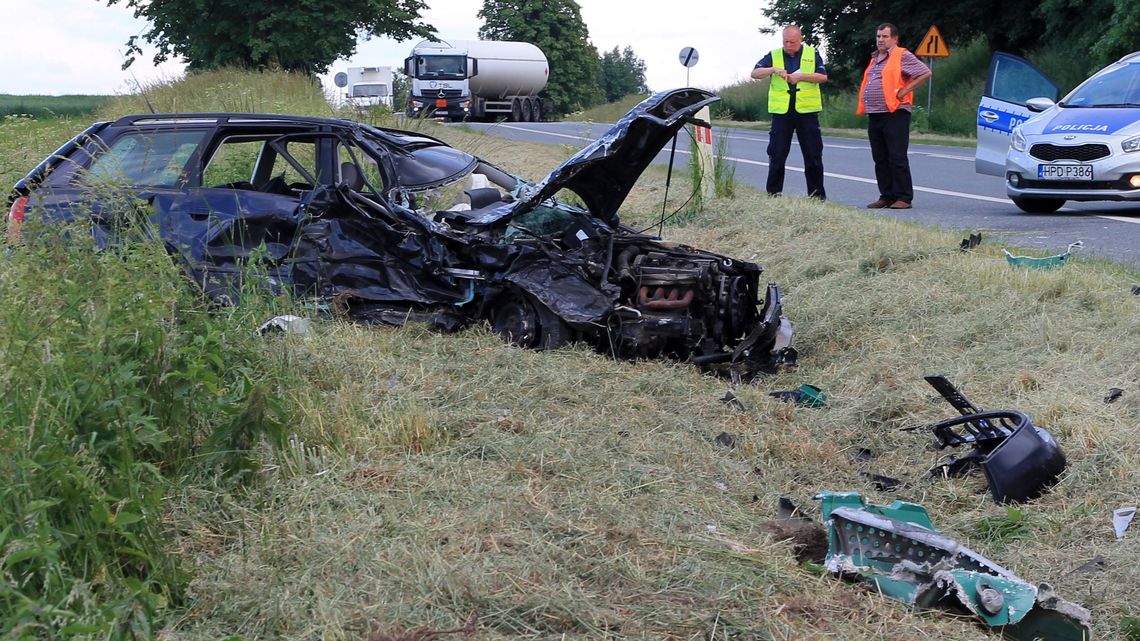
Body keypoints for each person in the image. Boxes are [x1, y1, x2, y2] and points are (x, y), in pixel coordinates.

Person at [857, 23, 932, 210]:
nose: (880, 40)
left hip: (895, 112)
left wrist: (905, 90)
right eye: (878, 36)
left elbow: (925, 72)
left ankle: (904, 197)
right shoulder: (875, 58)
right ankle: (887, 196)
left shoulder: (901, 55)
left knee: (897, 156)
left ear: (895, 38)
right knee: (880, 158)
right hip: (875, 113)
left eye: (885, 36)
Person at [751, 25, 828, 199]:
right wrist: (773, 69)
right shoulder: (774, 55)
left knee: (813, 155)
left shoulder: (812, 54)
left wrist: (801, 76)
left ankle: (816, 197)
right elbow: (755, 73)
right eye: (785, 41)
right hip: (782, 114)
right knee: (776, 155)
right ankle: (773, 194)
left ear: (801, 39)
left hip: (807, 113)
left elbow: (823, 76)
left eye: (792, 42)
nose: (788, 45)